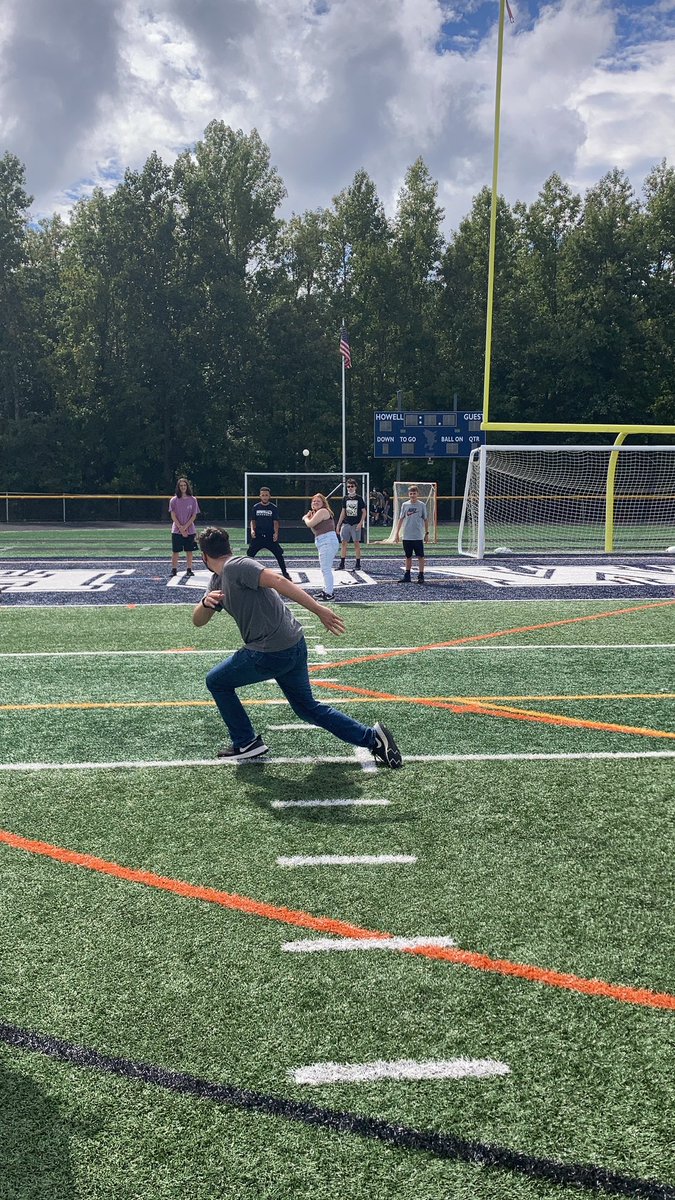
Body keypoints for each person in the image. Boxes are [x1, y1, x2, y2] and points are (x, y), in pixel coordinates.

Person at [193, 525, 403, 766]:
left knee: (216, 681)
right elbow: (198, 621)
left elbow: (278, 580)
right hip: (291, 645)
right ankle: (373, 738)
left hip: (270, 651)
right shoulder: (218, 581)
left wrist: (318, 609)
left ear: (204, 557)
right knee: (307, 708)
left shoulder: (236, 566)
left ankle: (245, 741)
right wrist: (205, 603)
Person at [247, 486, 291, 579]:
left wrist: (276, 533)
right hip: (258, 536)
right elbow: (253, 520)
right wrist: (252, 530)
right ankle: (245, 573)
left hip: (269, 536)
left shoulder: (273, 507)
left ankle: (285, 573)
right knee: (249, 555)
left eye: (266, 495)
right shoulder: (256, 507)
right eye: (263, 495)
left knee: (279, 554)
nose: (264, 497)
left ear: (269, 496)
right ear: (260, 496)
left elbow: (275, 521)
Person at [302, 492, 339, 601]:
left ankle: (329, 593)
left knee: (326, 569)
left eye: (318, 501)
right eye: (314, 501)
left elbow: (309, 524)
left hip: (327, 541)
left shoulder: (323, 511)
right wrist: (310, 517)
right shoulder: (317, 514)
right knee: (325, 568)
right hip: (323, 541)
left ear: (323, 503)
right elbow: (314, 530)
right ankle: (326, 590)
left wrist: (306, 518)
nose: (315, 503)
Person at [394, 484, 429, 584]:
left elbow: (425, 519)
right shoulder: (405, 505)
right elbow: (401, 519)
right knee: (408, 556)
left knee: (420, 556)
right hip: (407, 535)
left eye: (414, 493)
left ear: (417, 494)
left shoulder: (421, 505)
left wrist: (426, 533)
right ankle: (407, 575)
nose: (412, 495)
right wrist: (397, 533)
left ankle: (421, 575)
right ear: (408, 494)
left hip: (418, 536)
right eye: (411, 493)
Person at [169, 477, 200, 578]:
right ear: (178, 487)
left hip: (190, 529)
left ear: (187, 486)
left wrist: (185, 527)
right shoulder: (173, 500)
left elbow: (194, 515)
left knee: (189, 550)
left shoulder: (193, 500)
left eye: (184, 485)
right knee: (175, 551)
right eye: (181, 485)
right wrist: (180, 528)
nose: (183, 487)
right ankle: (174, 570)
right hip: (176, 530)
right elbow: (173, 515)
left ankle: (189, 569)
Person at [336, 478, 366, 573]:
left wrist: (360, 523)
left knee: (356, 543)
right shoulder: (345, 498)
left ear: (355, 487)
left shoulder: (359, 498)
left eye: (352, 486)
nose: (350, 488)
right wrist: (339, 524)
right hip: (346, 523)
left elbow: (364, 512)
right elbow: (343, 511)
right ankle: (342, 563)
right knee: (343, 543)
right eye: (348, 486)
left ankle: (358, 564)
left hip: (355, 523)